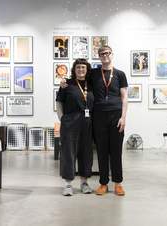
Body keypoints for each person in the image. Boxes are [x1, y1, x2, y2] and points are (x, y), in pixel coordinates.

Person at [90, 45, 128, 196]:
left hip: (116, 116)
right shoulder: (93, 74)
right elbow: (78, 78)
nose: (105, 55)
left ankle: (118, 183)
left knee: (116, 151)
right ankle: (103, 183)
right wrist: (64, 84)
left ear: (112, 54)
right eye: (102, 53)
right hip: (98, 116)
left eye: (107, 53)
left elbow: (125, 97)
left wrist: (123, 117)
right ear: (99, 56)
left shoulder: (120, 74)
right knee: (102, 151)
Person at [56, 58, 94, 196]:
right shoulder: (67, 84)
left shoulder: (91, 84)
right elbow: (59, 103)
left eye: (83, 67)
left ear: (87, 69)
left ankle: (84, 183)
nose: (81, 70)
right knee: (68, 153)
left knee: (86, 153)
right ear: (74, 69)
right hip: (70, 123)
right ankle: (68, 184)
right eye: (78, 67)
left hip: (87, 123)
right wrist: (62, 119)